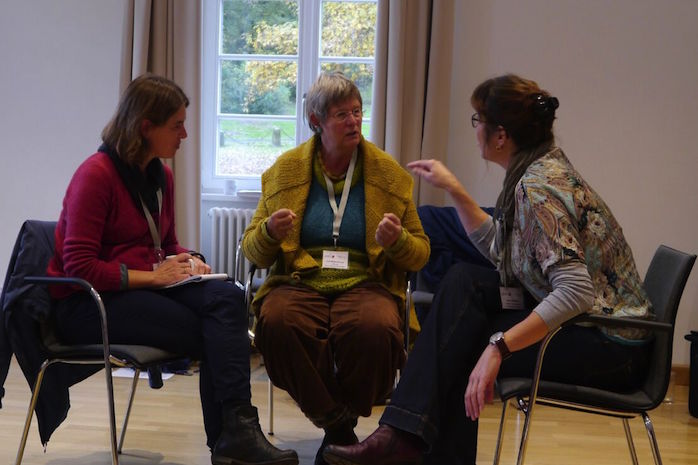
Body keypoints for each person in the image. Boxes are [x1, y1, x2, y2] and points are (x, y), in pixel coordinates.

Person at [323, 73, 653, 465]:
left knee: (464, 339)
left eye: (478, 120)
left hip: (611, 348)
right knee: (463, 282)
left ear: (500, 136)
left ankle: (401, 437)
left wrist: (499, 346)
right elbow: (503, 252)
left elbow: (575, 292)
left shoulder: (538, 188)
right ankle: (403, 437)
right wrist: (456, 191)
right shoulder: (537, 169)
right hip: (596, 331)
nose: (475, 128)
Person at [47, 74, 298, 465]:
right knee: (215, 330)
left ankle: (236, 435)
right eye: (176, 125)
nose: (184, 134)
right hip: (86, 305)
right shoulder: (95, 175)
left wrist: (188, 260)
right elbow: (78, 267)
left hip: (138, 291)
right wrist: (156, 275)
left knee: (228, 295)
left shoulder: (160, 176)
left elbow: (163, 246)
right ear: (145, 128)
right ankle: (232, 439)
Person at [241, 71, 430, 465]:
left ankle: (337, 423)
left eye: (358, 112)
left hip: (366, 281)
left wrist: (398, 242)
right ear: (316, 121)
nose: (353, 121)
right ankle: (339, 427)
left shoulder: (389, 175)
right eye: (342, 114)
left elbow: (421, 254)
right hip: (300, 279)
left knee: (375, 328)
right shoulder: (284, 171)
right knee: (276, 321)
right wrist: (270, 232)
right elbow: (253, 253)